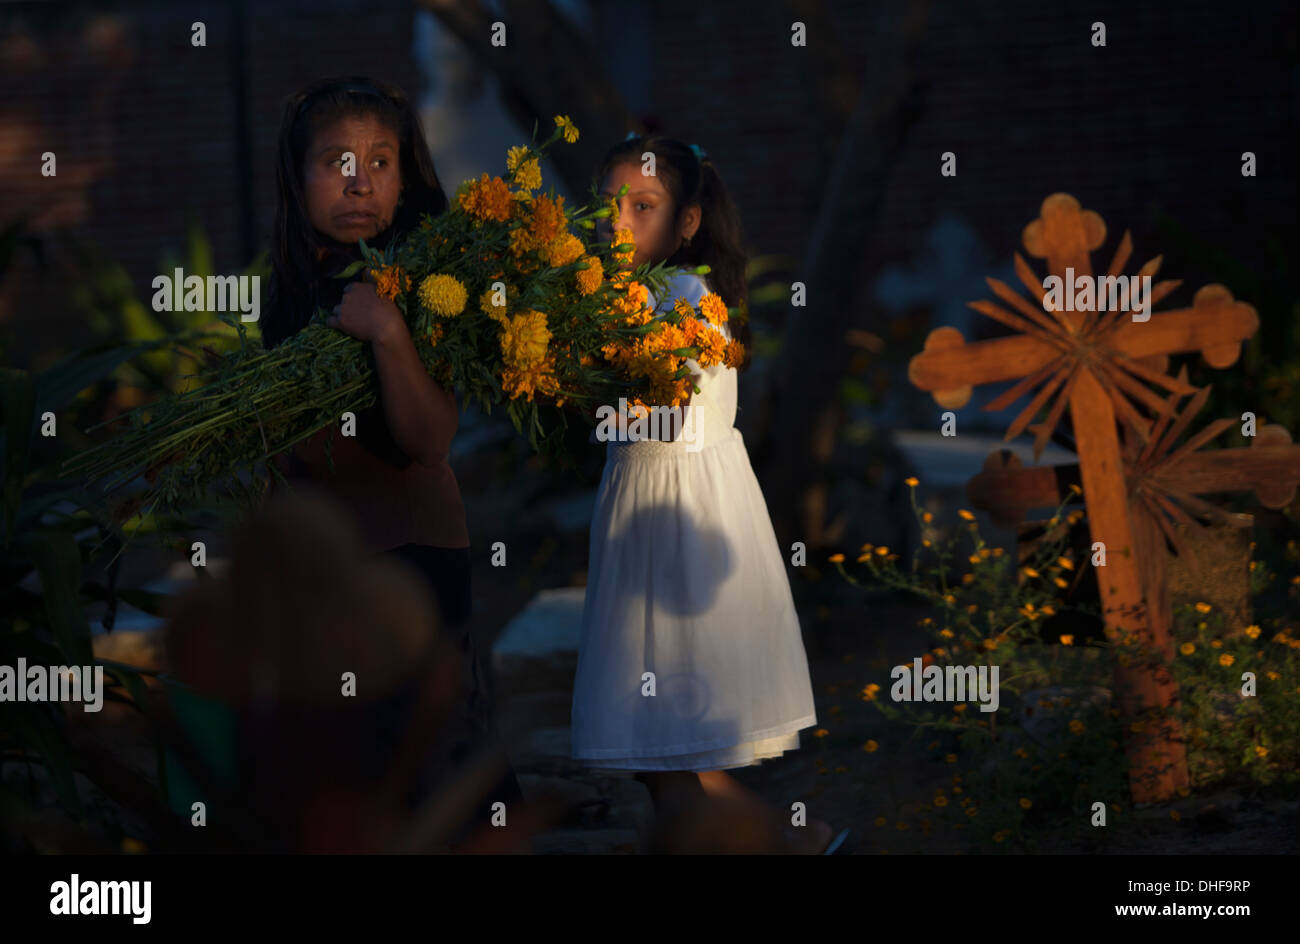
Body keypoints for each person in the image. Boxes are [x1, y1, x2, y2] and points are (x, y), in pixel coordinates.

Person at [570, 134, 851, 853]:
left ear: (687, 222)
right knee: (654, 753)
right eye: (610, 206)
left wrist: (574, 368)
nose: (620, 223)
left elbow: (665, 416)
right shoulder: (636, 296)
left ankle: (800, 841)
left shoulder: (686, 300)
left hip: (679, 526)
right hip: (647, 508)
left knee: (674, 743)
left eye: (643, 206)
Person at [259, 76, 522, 841]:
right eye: (335, 160)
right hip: (327, 557)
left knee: (437, 736)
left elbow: (430, 439)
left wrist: (388, 334)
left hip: (414, 551)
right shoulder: (288, 292)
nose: (357, 182)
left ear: (406, 178)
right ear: (296, 176)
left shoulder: (424, 284)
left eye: (379, 161)